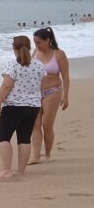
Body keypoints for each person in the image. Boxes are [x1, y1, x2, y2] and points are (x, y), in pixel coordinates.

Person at [0, 35, 46, 180]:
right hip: (33, 106)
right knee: (24, 138)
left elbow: (7, 85)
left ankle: (6, 170)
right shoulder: (38, 65)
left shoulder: (13, 64)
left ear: (14, 48)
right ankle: (21, 171)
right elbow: (41, 83)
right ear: (29, 47)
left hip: (13, 106)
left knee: (3, 136)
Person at [29, 26, 70, 164]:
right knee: (35, 124)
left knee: (47, 124)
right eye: (35, 42)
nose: (36, 45)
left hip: (53, 91)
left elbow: (66, 77)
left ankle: (47, 153)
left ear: (47, 40)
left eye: (39, 42)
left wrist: (66, 96)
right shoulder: (35, 53)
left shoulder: (59, 54)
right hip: (36, 92)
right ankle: (36, 156)